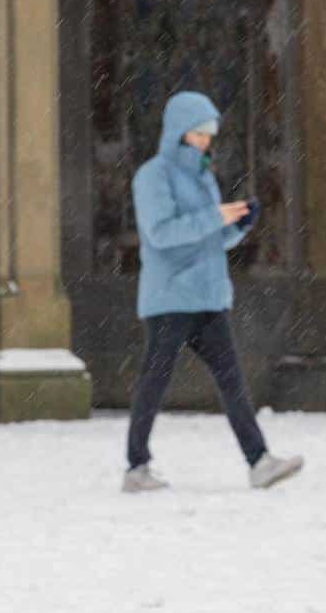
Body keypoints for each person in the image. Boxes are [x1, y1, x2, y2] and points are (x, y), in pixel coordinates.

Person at [123, 90, 304, 493]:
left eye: (209, 134)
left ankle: (259, 461)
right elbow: (161, 233)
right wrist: (213, 217)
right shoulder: (153, 175)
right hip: (170, 297)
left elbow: (207, 239)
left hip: (207, 296)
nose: (205, 140)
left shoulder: (203, 178)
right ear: (178, 132)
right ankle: (136, 467)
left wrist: (237, 227)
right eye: (198, 133)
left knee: (231, 381)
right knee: (154, 380)